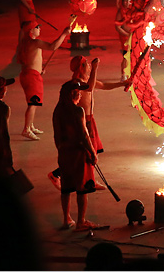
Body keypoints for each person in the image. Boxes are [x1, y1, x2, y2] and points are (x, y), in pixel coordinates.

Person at [48, 56, 128, 191]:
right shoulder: (77, 82)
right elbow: (90, 88)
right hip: (83, 119)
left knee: (92, 149)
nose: (90, 66)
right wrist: (96, 69)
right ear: (82, 67)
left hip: (90, 118)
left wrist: (123, 83)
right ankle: (60, 175)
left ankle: (88, 178)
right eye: (88, 64)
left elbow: (103, 85)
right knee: (87, 151)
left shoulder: (86, 79)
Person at [52, 79, 100, 231]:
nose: (80, 96)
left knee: (66, 187)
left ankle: (66, 219)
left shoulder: (58, 110)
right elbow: (83, 135)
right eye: (79, 93)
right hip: (78, 153)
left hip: (64, 152)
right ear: (74, 94)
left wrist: (61, 150)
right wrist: (92, 152)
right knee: (82, 187)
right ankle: (81, 221)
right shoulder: (78, 111)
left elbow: (57, 136)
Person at [18, 19, 72, 140]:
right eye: (37, 27)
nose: (39, 29)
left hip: (30, 74)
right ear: (31, 30)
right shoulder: (34, 42)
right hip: (31, 76)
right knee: (33, 103)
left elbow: (29, 60)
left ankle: (30, 125)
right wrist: (64, 34)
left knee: (34, 102)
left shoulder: (25, 42)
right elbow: (52, 46)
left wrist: (38, 69)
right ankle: (26, 129)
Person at [115, 0, 141, 80]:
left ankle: (136, 72)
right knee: (126, 54)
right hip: (126, 11)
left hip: (135, 7)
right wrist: (119, 6)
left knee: (136, 52)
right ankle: (123, 74)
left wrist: (139, 4)